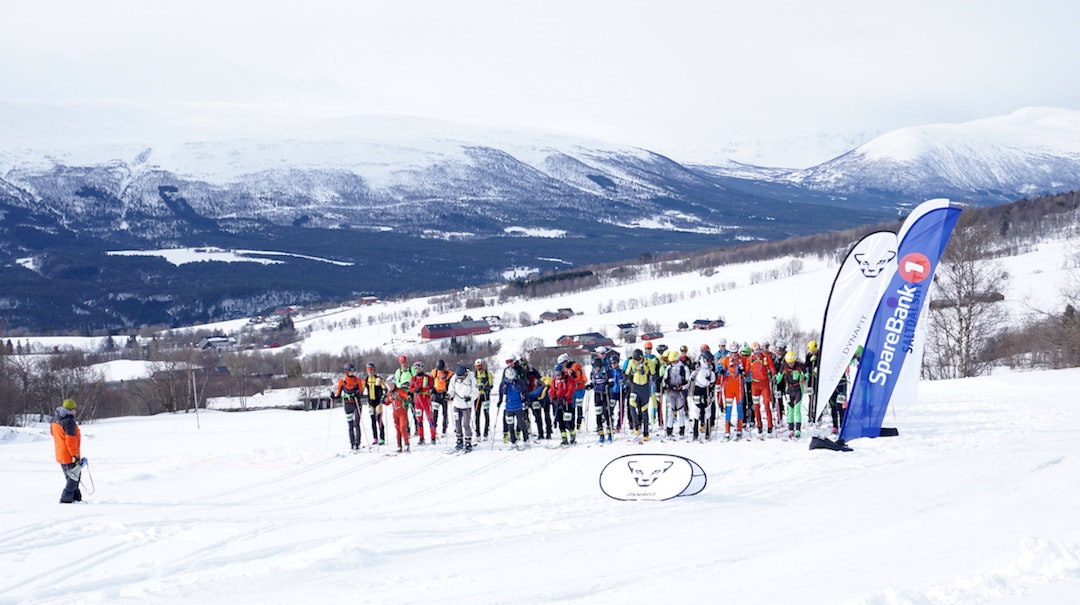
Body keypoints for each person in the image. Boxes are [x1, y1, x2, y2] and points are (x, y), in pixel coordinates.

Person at [51, 398, 83, 503]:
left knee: (71, 477)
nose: (75, 411)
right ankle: (66, 498)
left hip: (60, 454)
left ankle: (76, 498)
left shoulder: (55, 420)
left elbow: (53, 434)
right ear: (70, 410)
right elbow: (71, 441)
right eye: (74, 409)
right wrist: (75, 456)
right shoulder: (69, 422)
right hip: (69, 455)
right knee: (74, 477)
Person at [624, 348, 654, 441]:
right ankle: (636, 425)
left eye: (639, 360)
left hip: (644, 388)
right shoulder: (631, 362)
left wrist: (651, 375)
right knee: (632, 406)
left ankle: (646, 433)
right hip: (635, 387)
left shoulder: (649, 362)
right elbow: (626, 373)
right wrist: (625, 379)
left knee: (644, 411)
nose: (637, 362)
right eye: (636, 360)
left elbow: (653, 374)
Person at [498, 360, 530, 448]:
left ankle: (526, 439)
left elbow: (525, 391)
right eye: (509, 378)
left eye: (512, 378)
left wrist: (526, 400)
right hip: (509, 407)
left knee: (521, 424)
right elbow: (501, 392)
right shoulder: (504, 383)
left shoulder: (519, 382)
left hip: (518, 406)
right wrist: (499, 401)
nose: (511, 379)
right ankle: (513, 441)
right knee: (510, 425)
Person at [333, 363, 365, 449]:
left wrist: (358, 394)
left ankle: (358, 443)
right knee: (350, 425)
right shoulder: (342, 381)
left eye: (353, 371)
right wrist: (333, 396)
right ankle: (352, 443)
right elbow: (338, 395)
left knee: (357, 423)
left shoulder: (357, 380)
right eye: (351, 371)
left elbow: (361, 392)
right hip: (347, 405)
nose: (352, 373)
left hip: (356, 404)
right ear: (346, 371)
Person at [776, 350, 807, 439]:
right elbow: (779, 376)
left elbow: (806, 375)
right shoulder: (784, 366)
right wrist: (775, 380)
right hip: (789, 390)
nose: (790, 364)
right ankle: (790, 429)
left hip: (798, 389)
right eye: (789, 362)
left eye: (792, 362)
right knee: (790, 410)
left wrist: (805, 377)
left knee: (797, 410)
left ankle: (797, 429)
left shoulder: (799, 365)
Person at [448, 364, 479, 452]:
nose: (460, 379)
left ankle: (468, 441)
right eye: (459, 377)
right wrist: (449, 395)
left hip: (466, 405)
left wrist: (470, 397)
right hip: (457, 404)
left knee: (466, 424)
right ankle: (459, 440)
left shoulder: (471, 377)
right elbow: (451, 389)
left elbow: (475, 392)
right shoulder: (454, 378)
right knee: (457, 423)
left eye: (461, 377)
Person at [749, 345, 777, 438]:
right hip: (755, 385)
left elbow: (772, 367)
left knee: (766, 404)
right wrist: (743, 372)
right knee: (756, 406)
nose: (757, 354)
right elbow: (746, 369)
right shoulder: (751, 359)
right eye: (755, 352)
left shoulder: (765, 357)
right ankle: (759, 426)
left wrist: (773, 373)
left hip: (764, 385)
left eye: (758, 352)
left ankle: (770, 426)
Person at [719, 342, 746, 440]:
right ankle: (727, 430)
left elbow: (745, 373)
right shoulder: (726, 359)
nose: (733, 354)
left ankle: (739, 428)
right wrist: (722, 371)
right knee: (729, 409)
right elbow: (722, 370)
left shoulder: (740, 359)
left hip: (738, 386)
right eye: (732, 352)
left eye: (735, 352)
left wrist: (742, 372)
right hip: (728, 387)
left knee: (739, 407)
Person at [662, 351, 690, 440]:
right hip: (671, 392)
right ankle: (669, 432)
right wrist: (665, 384)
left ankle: (682, 432)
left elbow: (688, 382)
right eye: (671, 361)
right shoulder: (668, 368)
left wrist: (683, 387)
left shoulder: (684, 368)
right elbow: (664, 380)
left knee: (681, 412)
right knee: (670, 412)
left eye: (674, 361)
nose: (673, 363)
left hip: (680, 392)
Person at [689, 352, 717, 441]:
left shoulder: (709, 370)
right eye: (708, 360)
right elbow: (692, 378)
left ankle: (708, 432)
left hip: (707, 390)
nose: (709, 362)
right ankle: (695, 433)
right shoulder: (698, 369)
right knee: (697, 411)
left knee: (707, 410)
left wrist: (711, 383)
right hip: (698, 390)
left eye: (710, 360)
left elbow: (713, 379)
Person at [408, 361, 437, 445]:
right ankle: (421, 438)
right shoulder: (413, 378)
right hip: (417, 401)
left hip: (426, 400)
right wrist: (415, 389)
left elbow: (431, 387)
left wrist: (422, 389)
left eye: (418, 368)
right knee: (419, 420)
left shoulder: (428, 377)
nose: (417, 370)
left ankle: (433, 437)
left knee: (430, 419)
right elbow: (410, 388)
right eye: (415, 369)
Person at [550, 362, 577, 445]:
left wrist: (565, 397)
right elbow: (552, 390)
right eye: (556, 373)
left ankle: (572, 435)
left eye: (558, 373)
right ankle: (564, 438)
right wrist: (554, 398)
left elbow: (571, 389)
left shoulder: (568, 378)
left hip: (566, 402)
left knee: (568, 420)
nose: (557, 375)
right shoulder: (554, 380)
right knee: (560, 420)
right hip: (558, 402)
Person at [362, 362, 387, 446]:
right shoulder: (366, 380)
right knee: (372, 421)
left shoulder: (378, 379)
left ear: (374, 370)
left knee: (379, 420)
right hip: (370, 403)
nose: (370, 371)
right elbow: (361, 390)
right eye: (369, 369)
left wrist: (383, 396)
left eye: (372, 369)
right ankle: (375, 438)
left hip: (378, 402)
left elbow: (385, 388)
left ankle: (382, 438)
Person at [589, 355, 613, 443]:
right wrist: (589, 386)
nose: (596, 369)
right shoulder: (593, 373)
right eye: (595, 367)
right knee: (598, 414)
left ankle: (609, 432)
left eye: (598, 367)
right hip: (597, 395)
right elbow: (592, 383)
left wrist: (608, 384)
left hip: (606, 393)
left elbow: (612, 382)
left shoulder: (607, 371)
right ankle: (601, 433)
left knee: (607, 413)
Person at [384, 381, 412, 453]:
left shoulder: (400, 390)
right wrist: (384, 400)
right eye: (388, 385)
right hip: (395, 412)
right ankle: (399, 445)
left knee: (402, 428)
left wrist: (408, 398)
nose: (389, 386)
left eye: (390, 385)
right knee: (398, 429)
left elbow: (405, 395)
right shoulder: (389, 393)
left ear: (394, 384)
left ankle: (406, 444)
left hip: (402, 411)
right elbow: (387, 402)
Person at [431, 359, 453, 437]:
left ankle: (444, 428)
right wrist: (431, 388)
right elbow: (431, 381)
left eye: (441, 369)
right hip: (436, 395)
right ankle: (434, 429)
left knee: (445, 413)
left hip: (444, 395)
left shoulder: (448, 373)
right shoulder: (434, 372)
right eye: (439, 369)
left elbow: (452, 379)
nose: (440, 371)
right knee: (435, 413)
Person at [473, 359, 494, 438]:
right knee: (477, 414)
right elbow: (472, 386)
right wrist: (477, 388)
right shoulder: (474, 375)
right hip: (477, 396)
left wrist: (486, 387)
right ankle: (477, 432)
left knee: (486, 414)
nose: (479, 368)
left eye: (480, 366)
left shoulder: (488, 374)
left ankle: (486, 432)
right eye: (478, 367)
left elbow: (491, 385)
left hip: (485, 396)